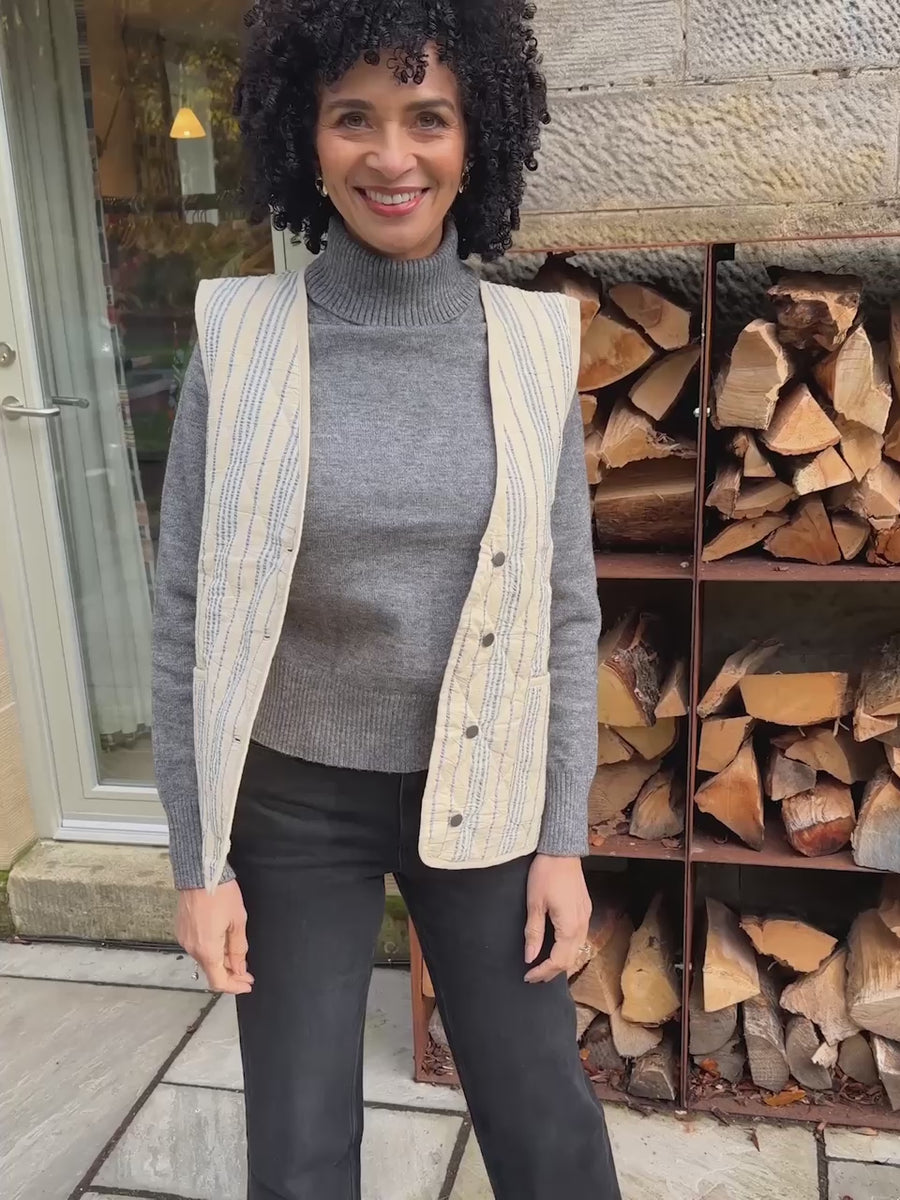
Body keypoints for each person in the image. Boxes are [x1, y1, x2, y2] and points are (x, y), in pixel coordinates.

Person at [151, 1, 620, 1196]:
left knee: (548, 1131)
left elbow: (566, 611)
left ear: (477, 139)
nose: (392, 156)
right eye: (353, 117)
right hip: (290, 803)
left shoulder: (532, 344)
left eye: (429, 118)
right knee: (300, 1149)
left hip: (486, 786)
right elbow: (185, 613)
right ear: (303, 137)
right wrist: (198, 862)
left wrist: (562, 839)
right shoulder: (239, 338)